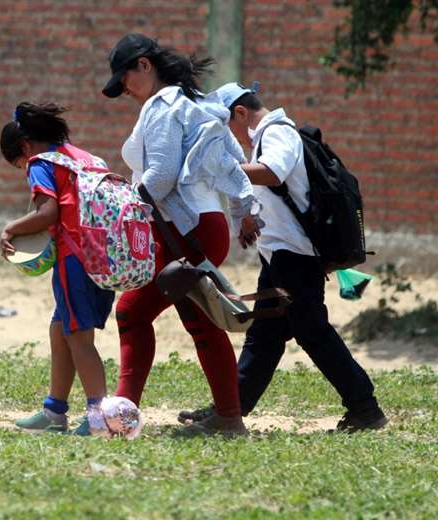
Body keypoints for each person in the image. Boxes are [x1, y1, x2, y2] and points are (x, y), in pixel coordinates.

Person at [178, 83, 388, 432]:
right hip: (278, 254)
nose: (227, 136)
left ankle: (365, 407)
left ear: (240, 114)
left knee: (313, 333)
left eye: (225, 125)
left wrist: (218, 171)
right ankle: (230, 409)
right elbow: (274, 191)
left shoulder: (278, 132)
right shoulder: (265, 136)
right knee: (265, 337)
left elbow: (273, 172)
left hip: (295, 256)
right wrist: (247, 218)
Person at [101, 34, 262, 437]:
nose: (125, 89)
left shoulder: (164, 105)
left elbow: (161, 175)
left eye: (125, 78)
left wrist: (119, 201)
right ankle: (228, 416)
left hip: (185, 231)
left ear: (144, 65)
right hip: (202, 227)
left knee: (132, 312)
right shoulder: (191, 102)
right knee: (201, 320)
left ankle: (121, 418)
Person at [0, 102, 115, 434]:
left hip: (75, 257)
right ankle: (54, 411)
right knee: (61, 327)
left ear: (24, 148)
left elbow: (48, 213)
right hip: (103, 256)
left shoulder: (40, 162)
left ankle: (99, 417)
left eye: (18, 163)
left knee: (79, 336)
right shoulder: (84, 157)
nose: (24, 168)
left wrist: (11, 229)